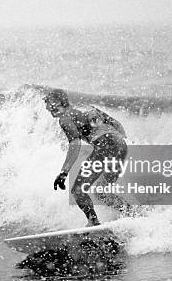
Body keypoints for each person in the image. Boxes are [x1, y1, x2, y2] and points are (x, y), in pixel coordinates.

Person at [44, 89, 128, 226]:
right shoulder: (88, 108)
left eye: (50, 104)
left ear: (59, 102)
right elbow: (117, 125)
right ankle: (131, 213)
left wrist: (64, 172)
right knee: (102, 192)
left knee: (78, 191)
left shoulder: (65, 118)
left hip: (105, 146)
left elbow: (75, 143)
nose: (48, 108)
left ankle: (93, 222)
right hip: (121, 147)